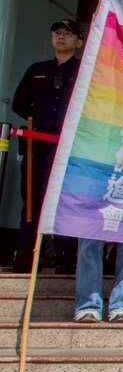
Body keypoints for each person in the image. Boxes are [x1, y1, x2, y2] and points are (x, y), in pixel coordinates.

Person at [11, 19, 83, 273]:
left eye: (67, 34)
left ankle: (65, 258)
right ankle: (27, 257)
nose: (61, 38)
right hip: (38, 146)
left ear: (79, 41)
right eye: (57, 33)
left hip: (70, 147)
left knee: (67, 199)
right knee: (32, 199)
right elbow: (19, 103)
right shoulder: (37, 69)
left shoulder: (85, 71)